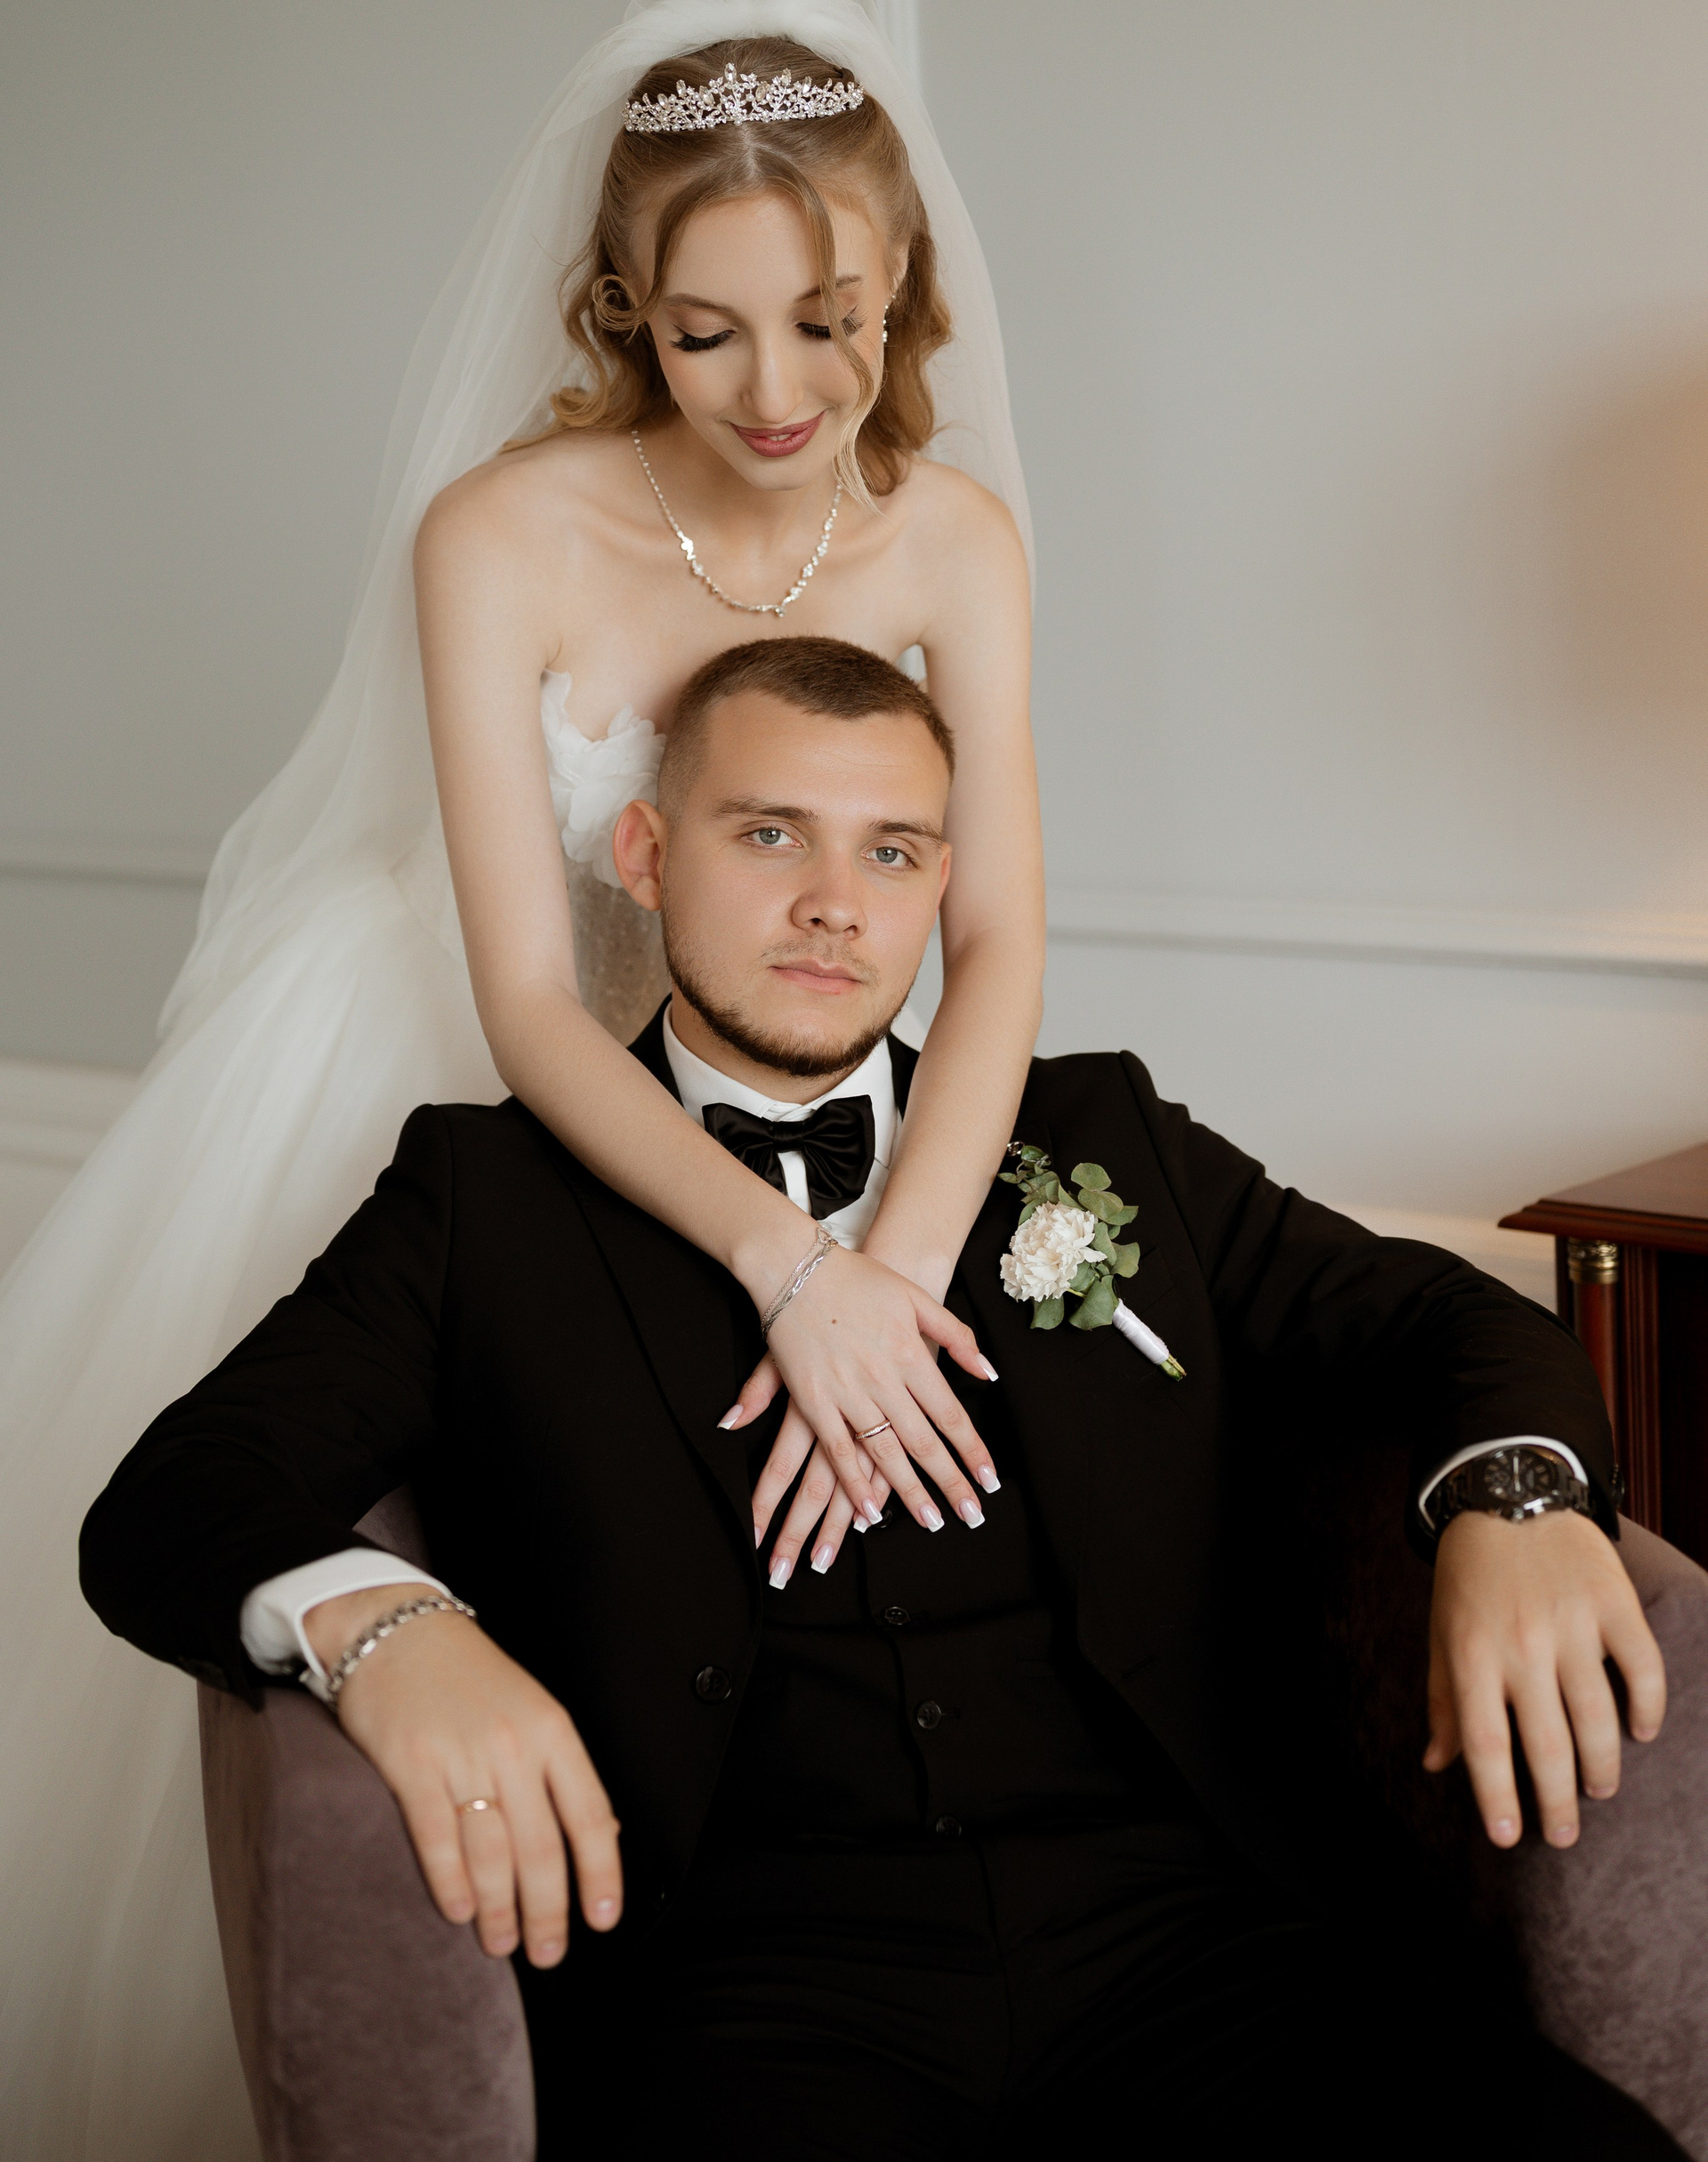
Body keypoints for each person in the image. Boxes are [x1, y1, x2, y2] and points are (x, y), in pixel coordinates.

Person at [84, 638, 1680, 2159]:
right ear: (646, 853)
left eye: (894, 851)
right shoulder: (483, 1202)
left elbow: (1447, 1320)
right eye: (770, 832)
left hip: (1194, 1949)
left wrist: (1518, 1496)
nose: (834, 904)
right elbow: (181, 1490)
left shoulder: (1101, 1138)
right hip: (743, 1990)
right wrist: (390, 1625)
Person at [1, 0, 1036, 2158]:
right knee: (454, 1477)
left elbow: (1005, 935)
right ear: (624, 308)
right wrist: (780, 1264)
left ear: (905, 290)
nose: (781, 389)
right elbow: (530, 1001)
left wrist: (886, 1276)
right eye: (708, 332)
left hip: (797, 1054)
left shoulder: (954, 539)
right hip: (493, 1061)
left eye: (833, 320)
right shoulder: (500, 533)